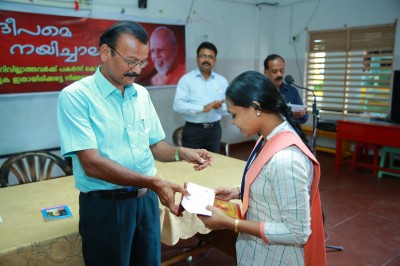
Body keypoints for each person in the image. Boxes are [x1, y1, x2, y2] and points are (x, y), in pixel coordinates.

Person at [57, 21, 213, 266]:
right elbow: (92, 164)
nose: (137, 70)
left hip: (146, 202)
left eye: (143, 62)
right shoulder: (76, 97)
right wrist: (154, 182)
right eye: (131, 61)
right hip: (106, 207)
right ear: (105, 53)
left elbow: (155, 147)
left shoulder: (140, 94)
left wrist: (182, 152)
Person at [198, 71, 326, 265]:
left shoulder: (286, 158)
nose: (233, 122)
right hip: (258, 252)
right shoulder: (267, 138)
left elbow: (297, 232)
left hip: (276, 258)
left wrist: (230, 223)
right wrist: (237, 192)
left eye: (234, 114)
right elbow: (271, 186)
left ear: (256, 108)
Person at [173, 42, 228, 153]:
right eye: (203, 56)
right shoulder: (187, 79)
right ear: (197, 58)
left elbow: (229, 108)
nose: (206, 60)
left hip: (214, 130)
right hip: (193, 131)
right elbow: (177, 105)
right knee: (191, 166)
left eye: (210, 57)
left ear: (215, 60)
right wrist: (203, 108)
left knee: (213, 163)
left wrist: (219, 107)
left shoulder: (222, 81)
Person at [264, 54, 309, 124]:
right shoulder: (261, 91)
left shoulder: (292, 91)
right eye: (274, 71)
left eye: (281, 71)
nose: (279, 74)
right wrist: (290, 115)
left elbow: (305, 118)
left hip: (290, 133)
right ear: (266, 73)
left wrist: (300, 115)